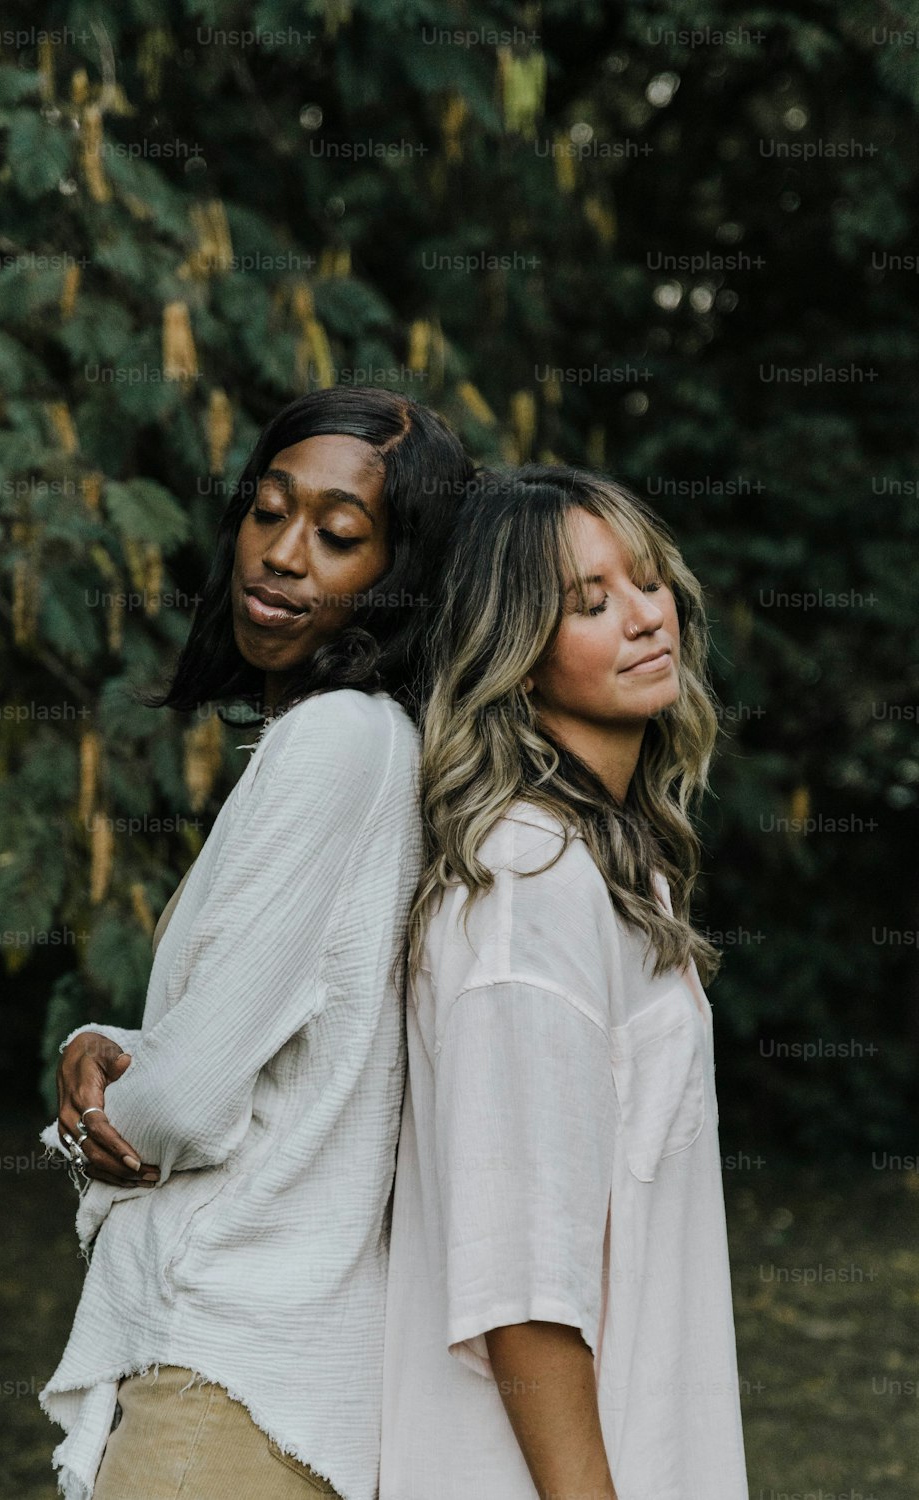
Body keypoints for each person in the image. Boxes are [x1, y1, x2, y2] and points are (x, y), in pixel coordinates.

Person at [38, 387, 473, 1500]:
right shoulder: (371, 746)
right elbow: (273, 1035)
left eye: (338, 537)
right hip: (273, 1381)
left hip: (221, 1374)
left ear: (400, 573)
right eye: (268, 512)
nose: (282, 557)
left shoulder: (334, 741)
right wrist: (101, 1037)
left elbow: (181, 1105)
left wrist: (94, 1120)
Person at [381, 465, 750, 1500]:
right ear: (518, 658)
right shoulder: (526, 884)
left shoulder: (612, 863)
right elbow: (519, 1285)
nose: (644, 618)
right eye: (588, 603)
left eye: (646, 582)